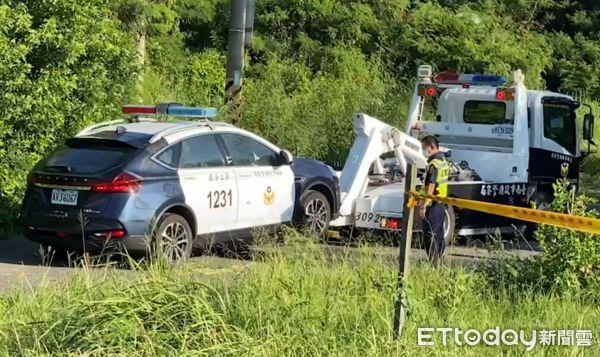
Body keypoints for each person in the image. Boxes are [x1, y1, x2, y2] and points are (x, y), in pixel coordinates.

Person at [419, 135, 449, 266]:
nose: (423, 151)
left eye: (424, 148)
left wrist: (424, 205)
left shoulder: (433, 164)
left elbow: (431, 185)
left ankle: (433, 263)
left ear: (431, 147)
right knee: (439, 234)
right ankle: (440, 261)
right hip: (441, 204)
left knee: (429, 235)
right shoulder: (443, 161)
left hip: (432, 205)